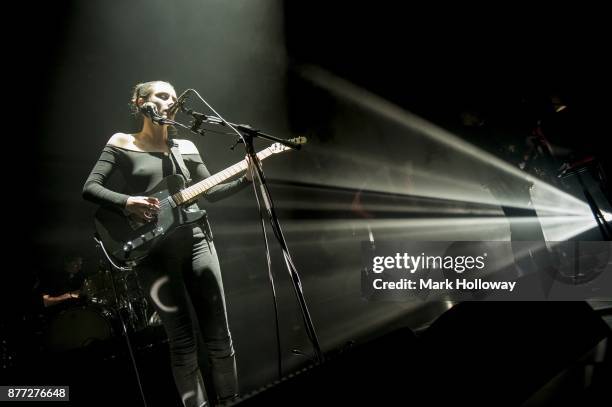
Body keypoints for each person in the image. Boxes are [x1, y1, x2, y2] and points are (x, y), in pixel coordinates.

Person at [83, 80, 255, 406]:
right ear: (140, 102)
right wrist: (127, 202)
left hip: (196, 240)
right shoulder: (122, 142)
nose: (171, 102)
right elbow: (90, 188)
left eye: (174, 98)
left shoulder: (186, 147)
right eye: (163, 95)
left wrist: (246, 177)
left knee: (219, 336)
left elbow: (211, 192)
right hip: (152, 252)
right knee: (182, 342)